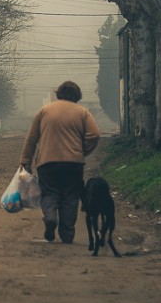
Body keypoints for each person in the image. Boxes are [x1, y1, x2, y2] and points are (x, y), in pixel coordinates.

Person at [19, 81, 101, 244]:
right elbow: (94, 134)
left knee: (49, 192)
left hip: (47, 163)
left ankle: (50, 218)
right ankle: (67, 233)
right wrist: (82, 151)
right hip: (73, 163)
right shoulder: (83, 112)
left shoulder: (44, 111)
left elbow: (32, 138)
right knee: (71, 196)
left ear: (59, 94)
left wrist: (25, 161)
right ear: (77, 96)